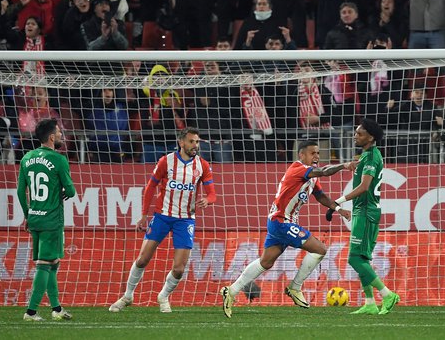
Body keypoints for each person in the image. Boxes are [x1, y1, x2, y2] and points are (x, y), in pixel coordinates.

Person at [220, 141, 356, 318]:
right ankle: (295, 287)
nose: (316, 156)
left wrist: (338, 209)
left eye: (317, 153)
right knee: (320, 249)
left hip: (279, 222)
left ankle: (231, 291)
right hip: (282, 222)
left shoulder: (311, 176)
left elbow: (321, 196)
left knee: (266, 262)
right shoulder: (298, 169)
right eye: (312, 153)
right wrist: (344, 165)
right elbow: (324, 172)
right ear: (301, 155)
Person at [109, 127, 217, 313]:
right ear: (181, 142)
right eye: (192, 142)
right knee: (143, 259)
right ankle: (128, 295)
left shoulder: (202, 166)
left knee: (179, 269)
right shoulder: (165, 161)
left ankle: (164, 296)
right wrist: (143, 215)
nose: (195, 146)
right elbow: (150, 187)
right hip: (162, 217)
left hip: (185, 220)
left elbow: (213, 193)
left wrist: (207, 200)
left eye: (197, 142)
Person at [333, 118, 400, 315]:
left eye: (359, 133)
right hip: (362, 210)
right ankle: (370, 302)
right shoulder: (366, 156)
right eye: (355, 132)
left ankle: (387, 294)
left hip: (367, 211)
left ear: (370, 137)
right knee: (361, 257)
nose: (355, 136)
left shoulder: (371, 157)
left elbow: (363, 188)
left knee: (354, 259)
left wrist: (339, 200)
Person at [17, 118, 75, 321]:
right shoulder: (59, 160)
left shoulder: (26, 158)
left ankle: (56, 308)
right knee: (45, 264)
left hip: (34, 218)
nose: (60, 135)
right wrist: (62, 190)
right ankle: (31, 312)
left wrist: (27, 214)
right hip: (52, 219)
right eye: (58, 132)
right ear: (51, 137)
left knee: (52, 262)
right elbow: (71, 190)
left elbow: (19, 191)